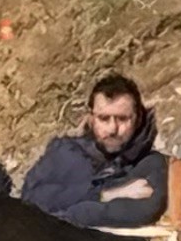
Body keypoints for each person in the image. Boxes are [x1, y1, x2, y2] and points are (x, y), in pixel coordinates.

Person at [21, 75, 165, 230]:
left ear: (138, 119)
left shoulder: (150, 165)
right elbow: (31, 200)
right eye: (104, 118)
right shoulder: (66, 153)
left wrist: (73, 213)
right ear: (91, 119)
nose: (112, 129)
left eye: (122, 119)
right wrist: (106, 194)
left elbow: (141, 211)